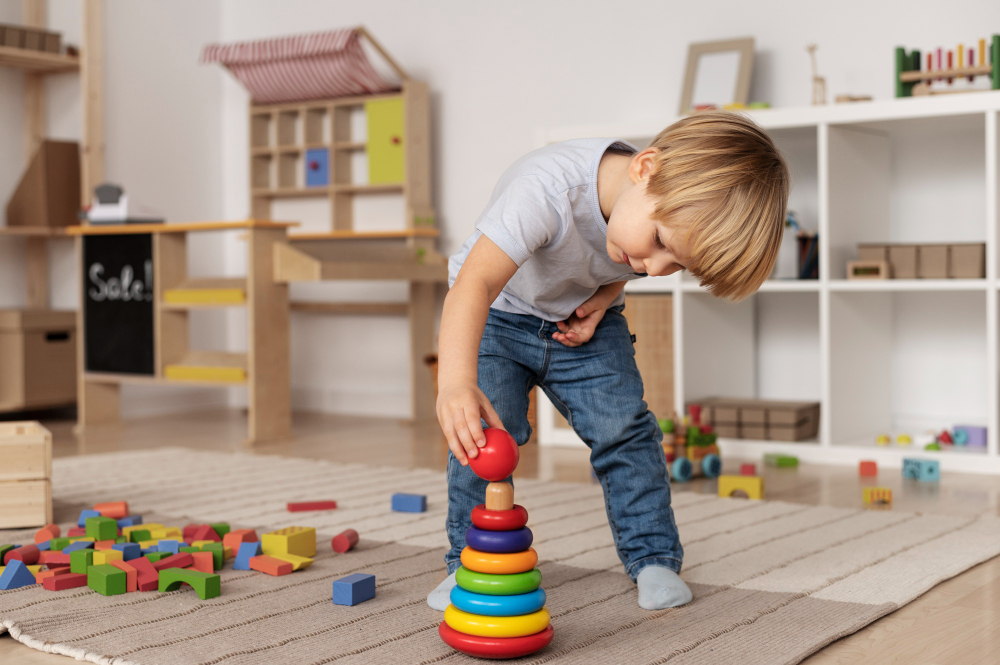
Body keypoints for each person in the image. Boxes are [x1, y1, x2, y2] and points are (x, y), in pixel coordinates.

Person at [428, 111, 789, 611]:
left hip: (581, 322)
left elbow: (633, 255)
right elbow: (474, 284)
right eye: (662, 244)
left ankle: (654, 558)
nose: (656, 269)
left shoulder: (646, 216)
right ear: (645, 168)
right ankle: (467, 563)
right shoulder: (547, 190)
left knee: (626, 431)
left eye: (678, 266)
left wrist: (605, 295)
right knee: (485, 436)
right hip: (497, 314)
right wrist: (454, 385)